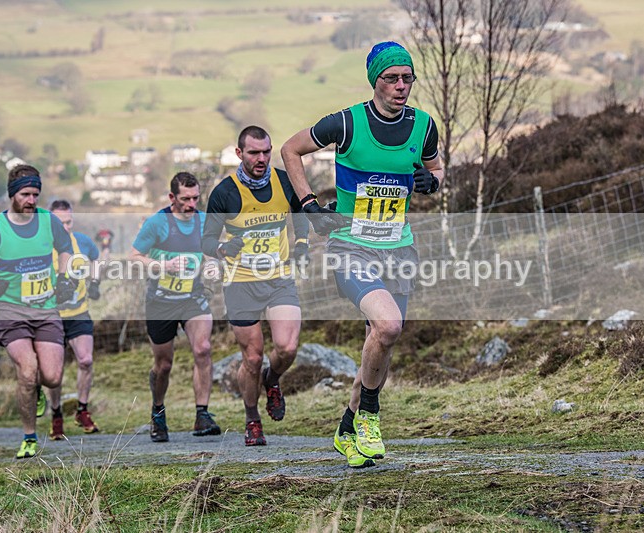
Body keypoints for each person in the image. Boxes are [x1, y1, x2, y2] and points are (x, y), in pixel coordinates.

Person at [281, 41, 444, 468]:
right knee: (389, 325)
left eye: (407, 77)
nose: (401, 85)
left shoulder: (424, 126)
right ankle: (370, 415)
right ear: (376, 81)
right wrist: (309, 204)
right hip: (352, 245)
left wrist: (433, 182)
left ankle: (346, 429)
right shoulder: (347, 124)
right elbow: (290, 150)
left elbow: (437, 166)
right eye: (392, 78)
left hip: (398, 248)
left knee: (380, 341)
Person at [202, 126, 309, 446]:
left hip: (278, 278)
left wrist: (301, 240)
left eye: (266, 151)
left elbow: (300, 210)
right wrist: (222, 249)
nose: (261, 158)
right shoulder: (225, 193)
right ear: (239, 154)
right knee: (251, 357)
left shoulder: (283, 180)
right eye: (254, 153)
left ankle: (272, 380)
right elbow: (206, 239)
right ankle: (252, 418)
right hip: (241, 283)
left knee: (287, 347)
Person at [0, 164, 75, 459]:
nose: (32, 200)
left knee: (52, 377)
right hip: (10, 310)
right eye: (26, 194)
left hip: (45, 309)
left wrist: (65, 277)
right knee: (27, 371)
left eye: (36, 194)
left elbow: (65, 248)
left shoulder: (49, 221)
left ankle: (38, 388)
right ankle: (29, 437)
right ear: (13, 195)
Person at [130, 172, 220, 442]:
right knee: (164, 365)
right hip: (161, 302)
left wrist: (213, 263)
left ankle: (202, 414)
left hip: (192, 297)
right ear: (172, 198)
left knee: (203, 349)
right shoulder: (157, 223)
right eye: (185, 199)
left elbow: (210, 251)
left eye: (195, 198)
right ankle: (158, 411)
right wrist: (162, 266)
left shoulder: (204, 221)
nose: (191, 204)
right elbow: (134, 257)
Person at [46, 199, 102, 440]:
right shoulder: (42, 247)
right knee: (54, 373)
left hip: (79, 312)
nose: (65, 228)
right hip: (51, 315)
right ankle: (56, 415)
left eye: (69, 222)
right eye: (60, 223)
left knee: (86, 360)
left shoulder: (82, 242)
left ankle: (82, 410)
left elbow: (96, 258)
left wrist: (96, 282)